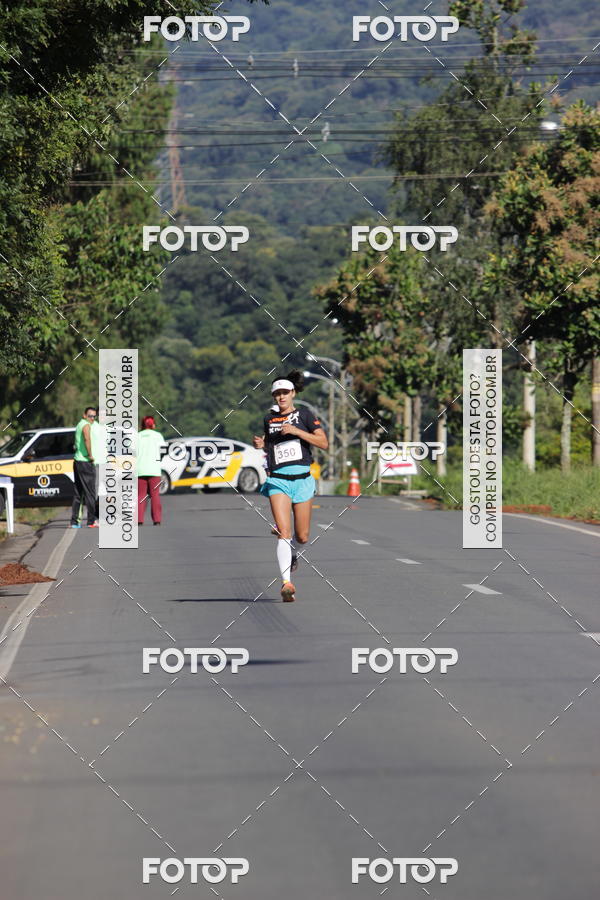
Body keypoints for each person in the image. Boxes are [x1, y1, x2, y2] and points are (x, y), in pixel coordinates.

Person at [253, 371, 328, 602]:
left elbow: (323, 443)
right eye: (277, 394)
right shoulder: (269, 419)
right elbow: (271, 447)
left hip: (303, 479)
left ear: (293, 393)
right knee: (284, 532)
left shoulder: (305, 415)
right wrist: (260, 444)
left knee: (303, 536)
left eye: (285, 392)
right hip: (278, 480)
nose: (281, 397)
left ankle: (294, 554)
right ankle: (286, 583)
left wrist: (296, 431)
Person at [70, 406, 98, 528]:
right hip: (85, 462)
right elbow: (87, 439)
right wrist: (90, 455)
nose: (92, 418)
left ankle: (75, 522)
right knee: (90, 493)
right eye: (90, 416)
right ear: (84, 415)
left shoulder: (79, 424)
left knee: (78, 492)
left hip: (77, 461)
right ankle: (91, 521)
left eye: (94, 416)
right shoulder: (86, 425)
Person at [137, 416, 165, 526]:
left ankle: (139, 519)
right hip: (154, 469)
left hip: (140, 469)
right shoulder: (158, 436)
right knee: (155, 495)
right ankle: (157, 520)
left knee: (140, 495)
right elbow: (163, 451)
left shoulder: (137, 436)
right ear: (153, 424)